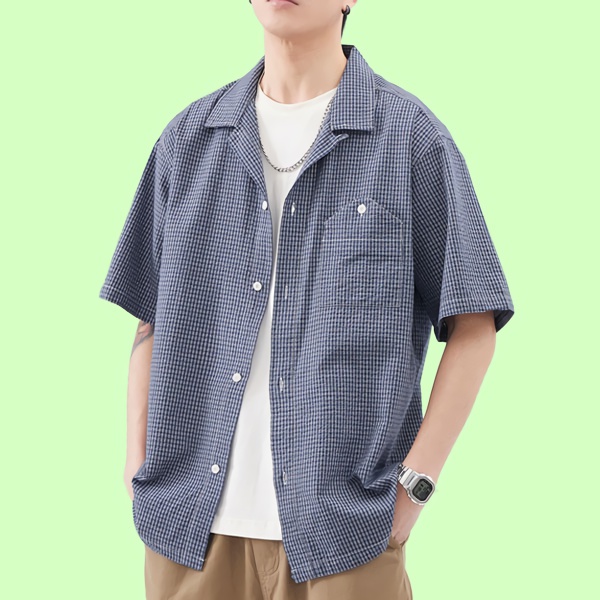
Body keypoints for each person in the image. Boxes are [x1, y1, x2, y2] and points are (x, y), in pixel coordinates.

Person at [99, 1, 515, 598]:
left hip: (346, 534)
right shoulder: (187, 140)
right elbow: (151, 315)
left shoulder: (411, 139)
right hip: (188, 527)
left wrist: (414, 487)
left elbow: (475, 324)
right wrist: (136, 460)